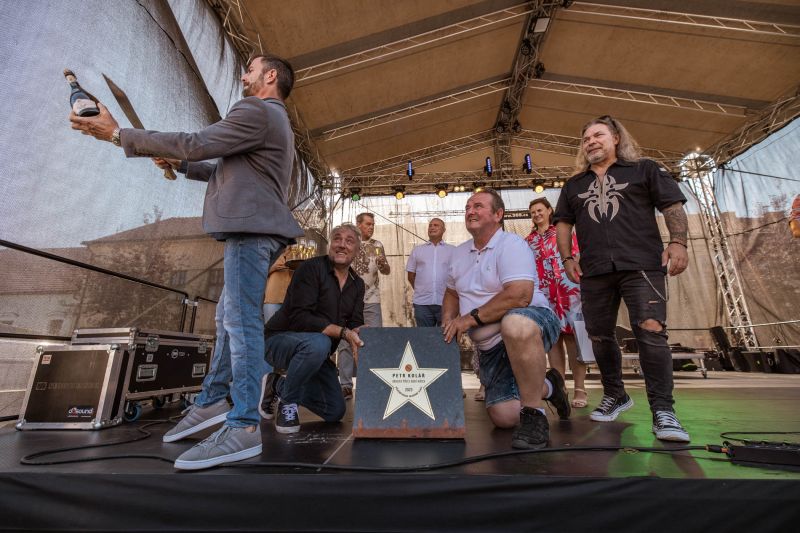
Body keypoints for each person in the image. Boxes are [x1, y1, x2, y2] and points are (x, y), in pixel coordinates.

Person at [70, 54, 303, 469]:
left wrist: (119, 135)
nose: (242, 75)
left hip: (250, 230)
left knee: (241, 323)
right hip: (257, 228)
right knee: (229, 318)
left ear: (270, 76)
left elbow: (197, 141)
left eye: (250, 69)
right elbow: (229, 169)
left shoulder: (256, 110)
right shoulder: (273, 121)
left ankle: (244, 425)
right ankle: (212, 400)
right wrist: (181, 164)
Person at [554, 114, 691, 442]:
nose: (591, 142)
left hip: (641, 264)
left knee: (651, 330)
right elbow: (563, 223)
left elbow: (672, 205)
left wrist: (678, 243)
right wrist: (567, 258)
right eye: (586, 139)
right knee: (599, 336)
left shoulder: (644, 169)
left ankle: (663, 410)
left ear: (616, 138)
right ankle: (615, 394)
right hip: (594, 270)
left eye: (598, 135)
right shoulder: (574, 184)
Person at [442, 188, 570, 450]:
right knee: (505, 417)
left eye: (478, 206)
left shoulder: (512, 245)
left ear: (498, 214)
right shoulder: (458, 253)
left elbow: (519, 296)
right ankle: (550, 386)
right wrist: (447, 322)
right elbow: (451, 293)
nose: (470, 211)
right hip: (491, 347)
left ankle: (535, 416)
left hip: (531, 321)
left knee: (515, 323)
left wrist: (467, 320)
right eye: (467, 207)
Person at [259, 224, 365, 433]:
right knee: (320, 342)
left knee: (334, 411)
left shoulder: (357, 284)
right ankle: (288, 403)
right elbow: (301, 318)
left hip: (317, 353)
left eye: (349, 241)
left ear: (357, 250)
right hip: (279, 342)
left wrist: (369, 336)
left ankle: (277, 385)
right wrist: (343, 333)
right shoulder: (310, 268)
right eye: (337, 239)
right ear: (330, 244)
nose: (342, 245)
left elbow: (355, 323)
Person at [526, 198, 589, 409]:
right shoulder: (528, 241)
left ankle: (580, 388)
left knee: (574, 340)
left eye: (540, 210)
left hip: (570, 292)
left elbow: (577, 257)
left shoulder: (563, 233)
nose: (537, 214)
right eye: (533, 212)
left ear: (549, 210)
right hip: (545, 296)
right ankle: (560, 389)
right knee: (553, 341)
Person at [337, 212, 389, 399]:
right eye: (368, 224)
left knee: (374, 341)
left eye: (373, 224)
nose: (371, 227)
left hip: (371, 300)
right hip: (348, 302)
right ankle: (345, 385)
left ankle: (372, 383)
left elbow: (387, 270)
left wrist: (383, 265)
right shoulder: (348, 244)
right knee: (345, 342)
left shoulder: (377, 245)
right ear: (358, 225)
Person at [406, 218, 454, 327]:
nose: (432, 227)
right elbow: (410, 275)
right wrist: (422, 289)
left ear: (444, 230)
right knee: (424, 336)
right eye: (430, 225)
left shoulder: (453, 250)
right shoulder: (417, 250)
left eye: (436, 225)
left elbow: (457, 276)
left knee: (446, 335)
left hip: (446, 303)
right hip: (422, 303)